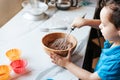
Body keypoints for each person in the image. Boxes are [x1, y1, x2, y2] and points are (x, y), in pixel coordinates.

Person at [50, 0, 120, 79]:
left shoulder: (116, 62)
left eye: (103, 25)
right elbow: (109, 23)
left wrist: (67, 64)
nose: (100, 26)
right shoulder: (116, 38)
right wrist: (85, 22)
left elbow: (91, 78)